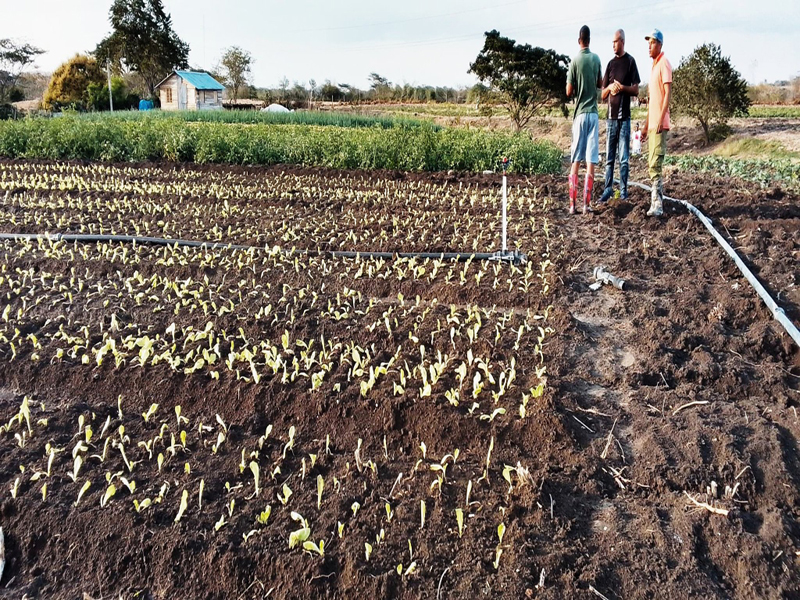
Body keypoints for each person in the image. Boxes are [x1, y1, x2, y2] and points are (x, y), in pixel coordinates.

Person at [598, 29, 640, 203]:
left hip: (624, 119)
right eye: (612, 42)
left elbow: (636, 89)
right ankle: (607, 190)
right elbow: (602, 93)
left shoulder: (630, 62)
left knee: (623, 159)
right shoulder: (610, 64)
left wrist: (622, 88)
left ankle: (623, 192)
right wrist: (610, 88)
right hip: (610, 118)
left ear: (622, 41)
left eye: (616, 42)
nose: (613, 45)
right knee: (609, 158)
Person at [566, 25, 603, 215]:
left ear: (578, 39)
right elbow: (600, 83)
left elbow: (568, 91)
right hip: (594, 113)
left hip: (580, 114)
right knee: (591, 160)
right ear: (589, 39)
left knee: (576, 160)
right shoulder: (596, 59)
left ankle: (572, 205)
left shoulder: (574, 61)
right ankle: (586, 205)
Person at [641, 29, 672, 217]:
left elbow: (667, 94)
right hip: (652, 124)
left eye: (652, 43)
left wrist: (660, 119)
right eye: (648, 43)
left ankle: (658, 204)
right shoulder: (654, 67)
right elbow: (653, 101)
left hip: (660, 124)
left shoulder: (664, 64)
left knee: (656, 162)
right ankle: (655, 201)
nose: (649, 46)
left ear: (659, 44)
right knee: (651, 163)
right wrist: (645, 127)